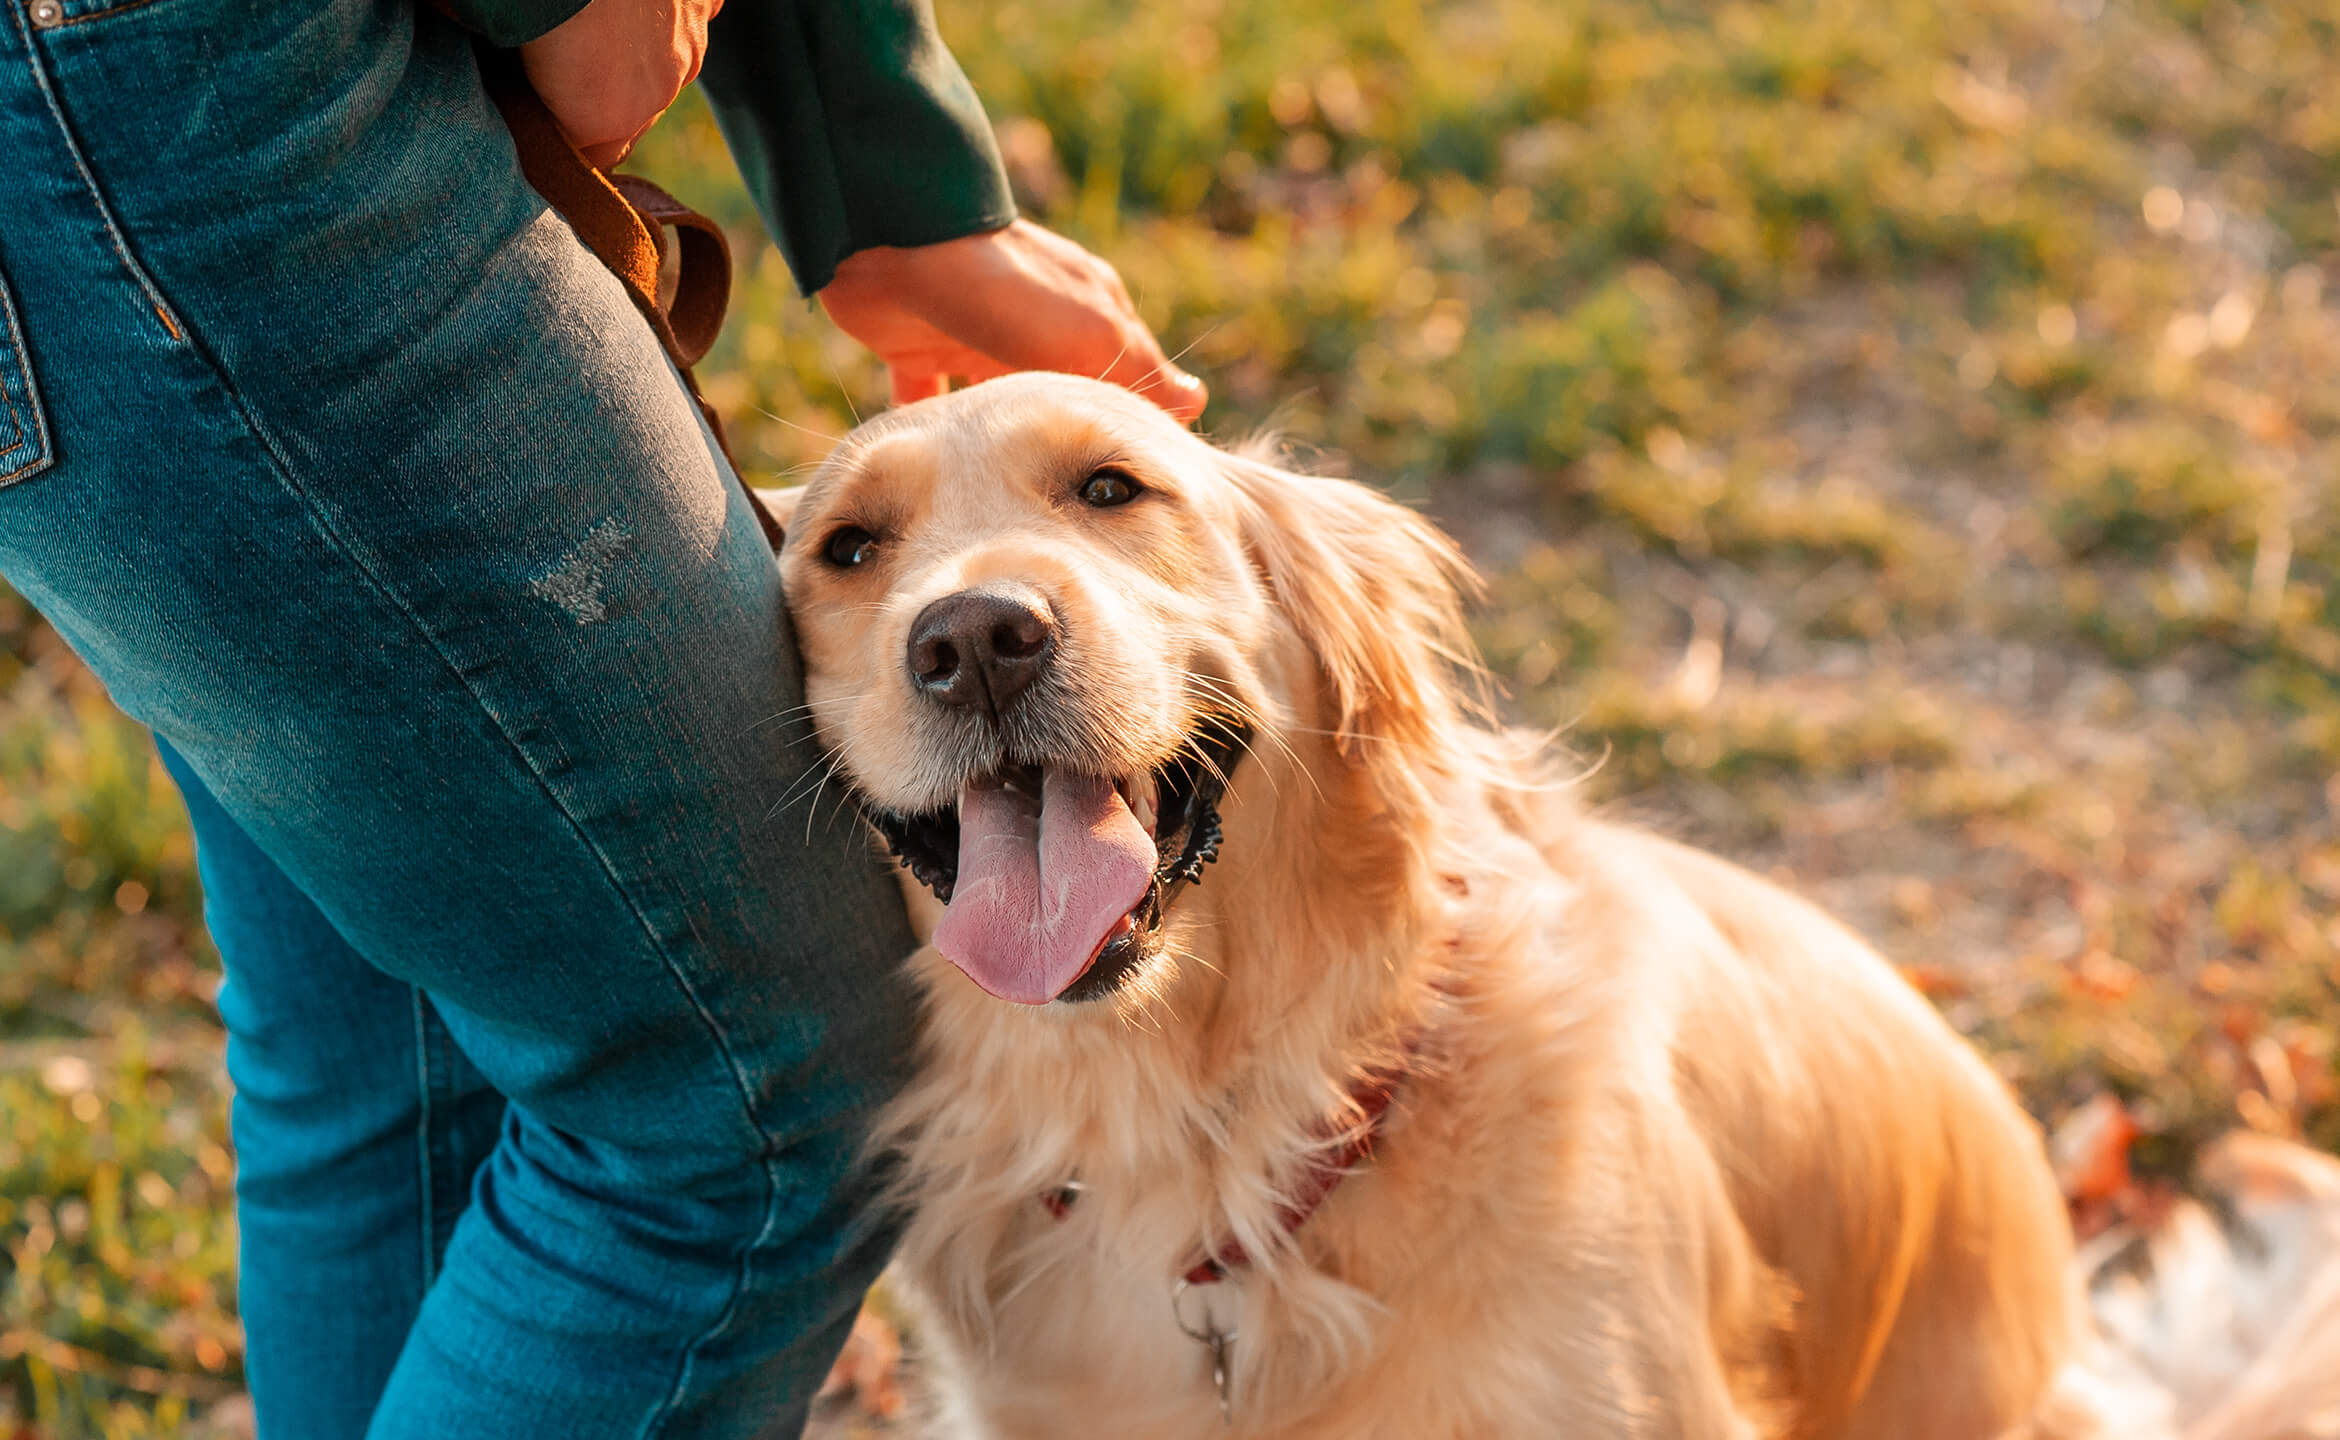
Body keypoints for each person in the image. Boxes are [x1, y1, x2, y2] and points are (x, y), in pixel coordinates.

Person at [0, 0, 1201, 1433]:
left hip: (118, 126)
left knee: (403, 1028)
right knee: (743, 1104)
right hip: (170, 109)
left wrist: (875, 157)